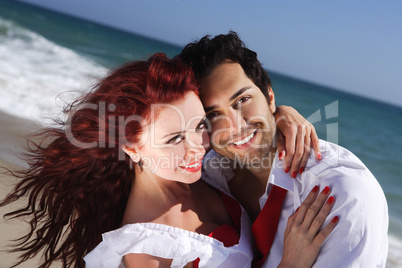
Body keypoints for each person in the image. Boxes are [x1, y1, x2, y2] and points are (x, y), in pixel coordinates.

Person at [1, 53, 338, 268]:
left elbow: (238, 126)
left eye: (200, 126)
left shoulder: (198, 172)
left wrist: (278, 114)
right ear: (132, 148)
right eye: (174, 138)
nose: (198, 147)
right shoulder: (145, 250)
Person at [178, 31, 389, 267]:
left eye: (242, 100)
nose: (235, 125)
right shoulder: (206, 174)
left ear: (269, 97)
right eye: (214, 114)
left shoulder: (342, 194)